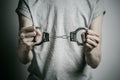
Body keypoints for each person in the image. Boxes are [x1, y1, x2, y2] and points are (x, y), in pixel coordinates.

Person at [16, 0, 105, 80]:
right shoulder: (28, 1)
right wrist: (24, 47)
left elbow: (94, 62)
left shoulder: (95, 1)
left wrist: (90, 51)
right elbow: (24, 59)